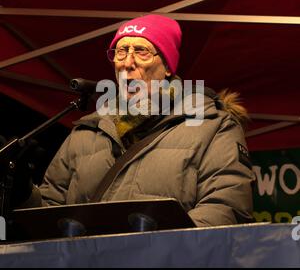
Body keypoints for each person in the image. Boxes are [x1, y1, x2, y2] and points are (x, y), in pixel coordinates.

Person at [14, 14, 255, 227]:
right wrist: (22, 192)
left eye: (142, 51)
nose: (127, 63)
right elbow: (48, 219)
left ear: (168, 67)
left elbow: (225, 209)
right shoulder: (86, 132)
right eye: (121, 51)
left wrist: (144, 253)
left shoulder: (212, 126)